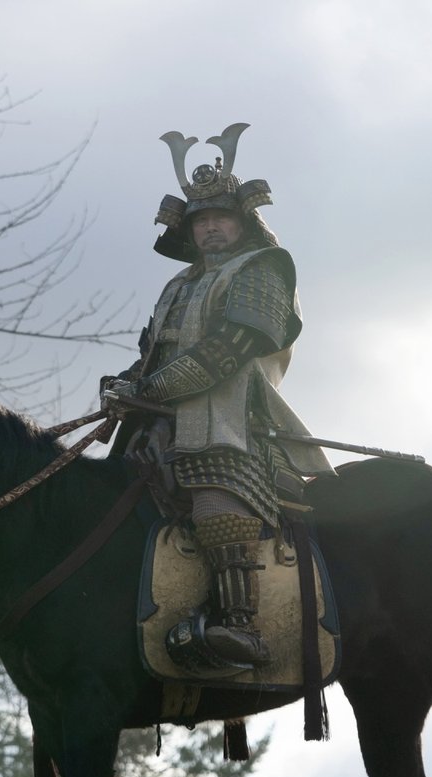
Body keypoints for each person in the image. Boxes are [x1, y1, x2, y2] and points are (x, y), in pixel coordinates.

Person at [104, 123, 333, 668]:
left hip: (236, 423)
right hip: (160, 420)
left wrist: (150, 388)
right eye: (200, 220)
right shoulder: (178, 285)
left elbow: (228, 351)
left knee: (214, 493)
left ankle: (241, 626)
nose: (209, 227)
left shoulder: (264, 268)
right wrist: (125, 384)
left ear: (242, 223)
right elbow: (154, 353)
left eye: (220, 218)